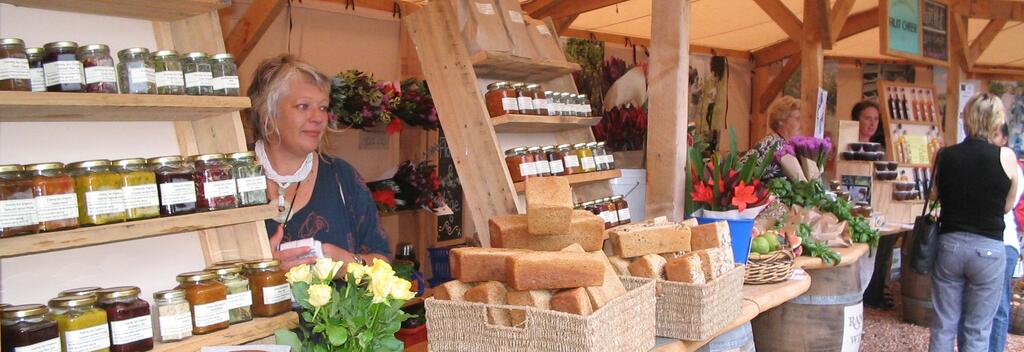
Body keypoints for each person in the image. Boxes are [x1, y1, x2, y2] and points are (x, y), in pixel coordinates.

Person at [247, 54, 391, 273]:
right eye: (303, 106)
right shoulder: (231, 179)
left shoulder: (342, 177)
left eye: (323, 107)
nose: (318, 118)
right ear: (269, 113)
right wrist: (263, 271)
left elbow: (384, 264)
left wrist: (350, 263)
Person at [930, 93, 1019, 352]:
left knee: (943, 325)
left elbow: (935, 195)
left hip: (950, 244)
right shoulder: (1007, 157)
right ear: (995, 122)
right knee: (978, 330)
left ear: (966, 119)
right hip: (989, 249)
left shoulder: (944, 155)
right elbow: (1007, 206)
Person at [743, 96, 802, 180]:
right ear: (780, 120)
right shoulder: (772, 144)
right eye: (797, 119)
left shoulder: (783, 144)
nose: (801, 124)